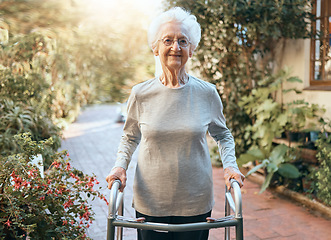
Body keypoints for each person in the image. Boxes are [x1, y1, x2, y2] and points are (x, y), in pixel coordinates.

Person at [106, 7, 245, 240]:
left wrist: (230, 165)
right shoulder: (141, 94)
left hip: (195, 201)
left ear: (192, 49)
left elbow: (223, 135)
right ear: (155, 47)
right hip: (151, 201)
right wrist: (120, 166)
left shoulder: (207, 93)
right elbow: (130, 136)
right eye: (167, 40)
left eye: (183, 41)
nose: (175, 47)